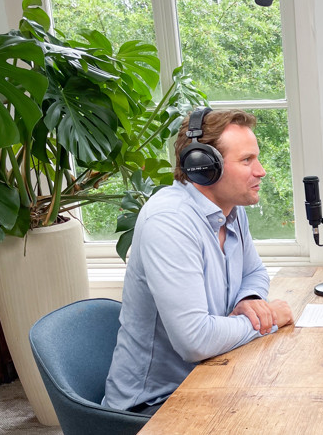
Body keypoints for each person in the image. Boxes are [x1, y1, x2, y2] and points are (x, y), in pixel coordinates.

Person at [103, 108, 293, 414]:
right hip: (155, 406)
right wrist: (266, 320)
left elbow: (255, 271)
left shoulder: (231, 208)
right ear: (203, 167)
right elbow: (196, 341)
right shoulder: (169, 222)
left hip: (213, 376)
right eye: (247, 160)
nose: (261, 171)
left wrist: (251, 299)